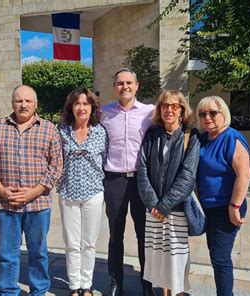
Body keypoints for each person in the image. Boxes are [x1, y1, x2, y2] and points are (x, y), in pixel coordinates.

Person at [0, 85, 63, 295]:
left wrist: (33, 192)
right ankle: (8, 291)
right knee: (7, 253)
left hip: (39, 205)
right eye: (19, 100)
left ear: (36, 104)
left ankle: (39, 290)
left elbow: (56, 165)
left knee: (39, 253)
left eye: (28, 101)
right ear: (12, 103)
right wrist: (1, 190)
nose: (23, 104)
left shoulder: (49, 128)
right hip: (5, 204)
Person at [137, 90, 200, 296]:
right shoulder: (152, 134)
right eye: (165, 105)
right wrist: (153, 204)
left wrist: (164, 206)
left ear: (182, 110)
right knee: (158, 256)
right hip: (154, 210)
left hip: (176, 209)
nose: (169, 110)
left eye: (174, 106)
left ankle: (177, 293)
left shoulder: (191, 136)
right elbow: (143, 170)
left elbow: (187, 176)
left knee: (176, 257)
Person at [101, 68, 156, 296]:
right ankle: (116, 281)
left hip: (142, 181)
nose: (125, 87)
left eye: (129, 83)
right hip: (114, 180)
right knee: (116, 234)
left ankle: (147, 283)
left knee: (145, 235)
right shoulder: (103, 113)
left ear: (137, 85)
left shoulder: (150, 113)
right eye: (120, 83)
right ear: (115, 86)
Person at [195, 96, 250, 296]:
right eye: (203, 114)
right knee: (216, 256)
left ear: (223, 113)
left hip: (226, 207)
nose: (207, 117)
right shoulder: (203, 139)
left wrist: (235, 206)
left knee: (220, 258)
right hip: (207, 207)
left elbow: (244, 174)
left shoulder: (231, 137)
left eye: (212, 112)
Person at [57, 88, 108, 296]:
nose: (81, 107)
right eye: (77, 103)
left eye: (85, 104)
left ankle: (86, 285)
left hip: (93, 193)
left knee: (89, 243)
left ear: (92, 107)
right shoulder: (61, 131)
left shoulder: (101, 132)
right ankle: (74, 286)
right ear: (71, 107)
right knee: (71, 243)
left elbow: (104, 161)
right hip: (68, 193)